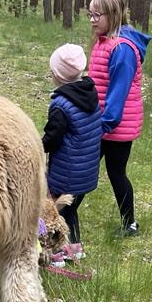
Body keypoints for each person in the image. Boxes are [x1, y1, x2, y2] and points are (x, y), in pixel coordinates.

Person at [87, 0, 151, 237]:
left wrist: (104, 124)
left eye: (97, 15)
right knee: (85, 169)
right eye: (90, 15)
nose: (92, 20)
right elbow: (98, 83)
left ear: (113, 14)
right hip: (101, 122)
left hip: (114, 126)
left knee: (114, 173)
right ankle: (61, 217)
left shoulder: (122, 49)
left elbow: (118, 93)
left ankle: (129, 223)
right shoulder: (104, 42)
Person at [42, 43, 102, 262]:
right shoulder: (90, 94)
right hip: (87, 171)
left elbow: (52, 139)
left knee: (57, 212)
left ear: (57, 75)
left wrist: (37, 146)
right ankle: (75, 248)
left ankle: (57, 253)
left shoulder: (61, 105)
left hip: (66, 174)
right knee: (71, 209)